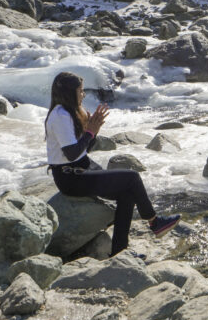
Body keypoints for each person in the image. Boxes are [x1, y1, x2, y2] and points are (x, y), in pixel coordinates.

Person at [45, 72, 181, 257]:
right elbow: (71, 153)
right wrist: (90, 132)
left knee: (127, 193)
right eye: (80, 91)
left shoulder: (70, 112)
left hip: (82, 168)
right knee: (132, 178)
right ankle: (154, 222)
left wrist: (92, 131)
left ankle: (119, 251)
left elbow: (84, 150)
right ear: (70, 93)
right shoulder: (60, 115)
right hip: (70, 177)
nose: (83, 95)